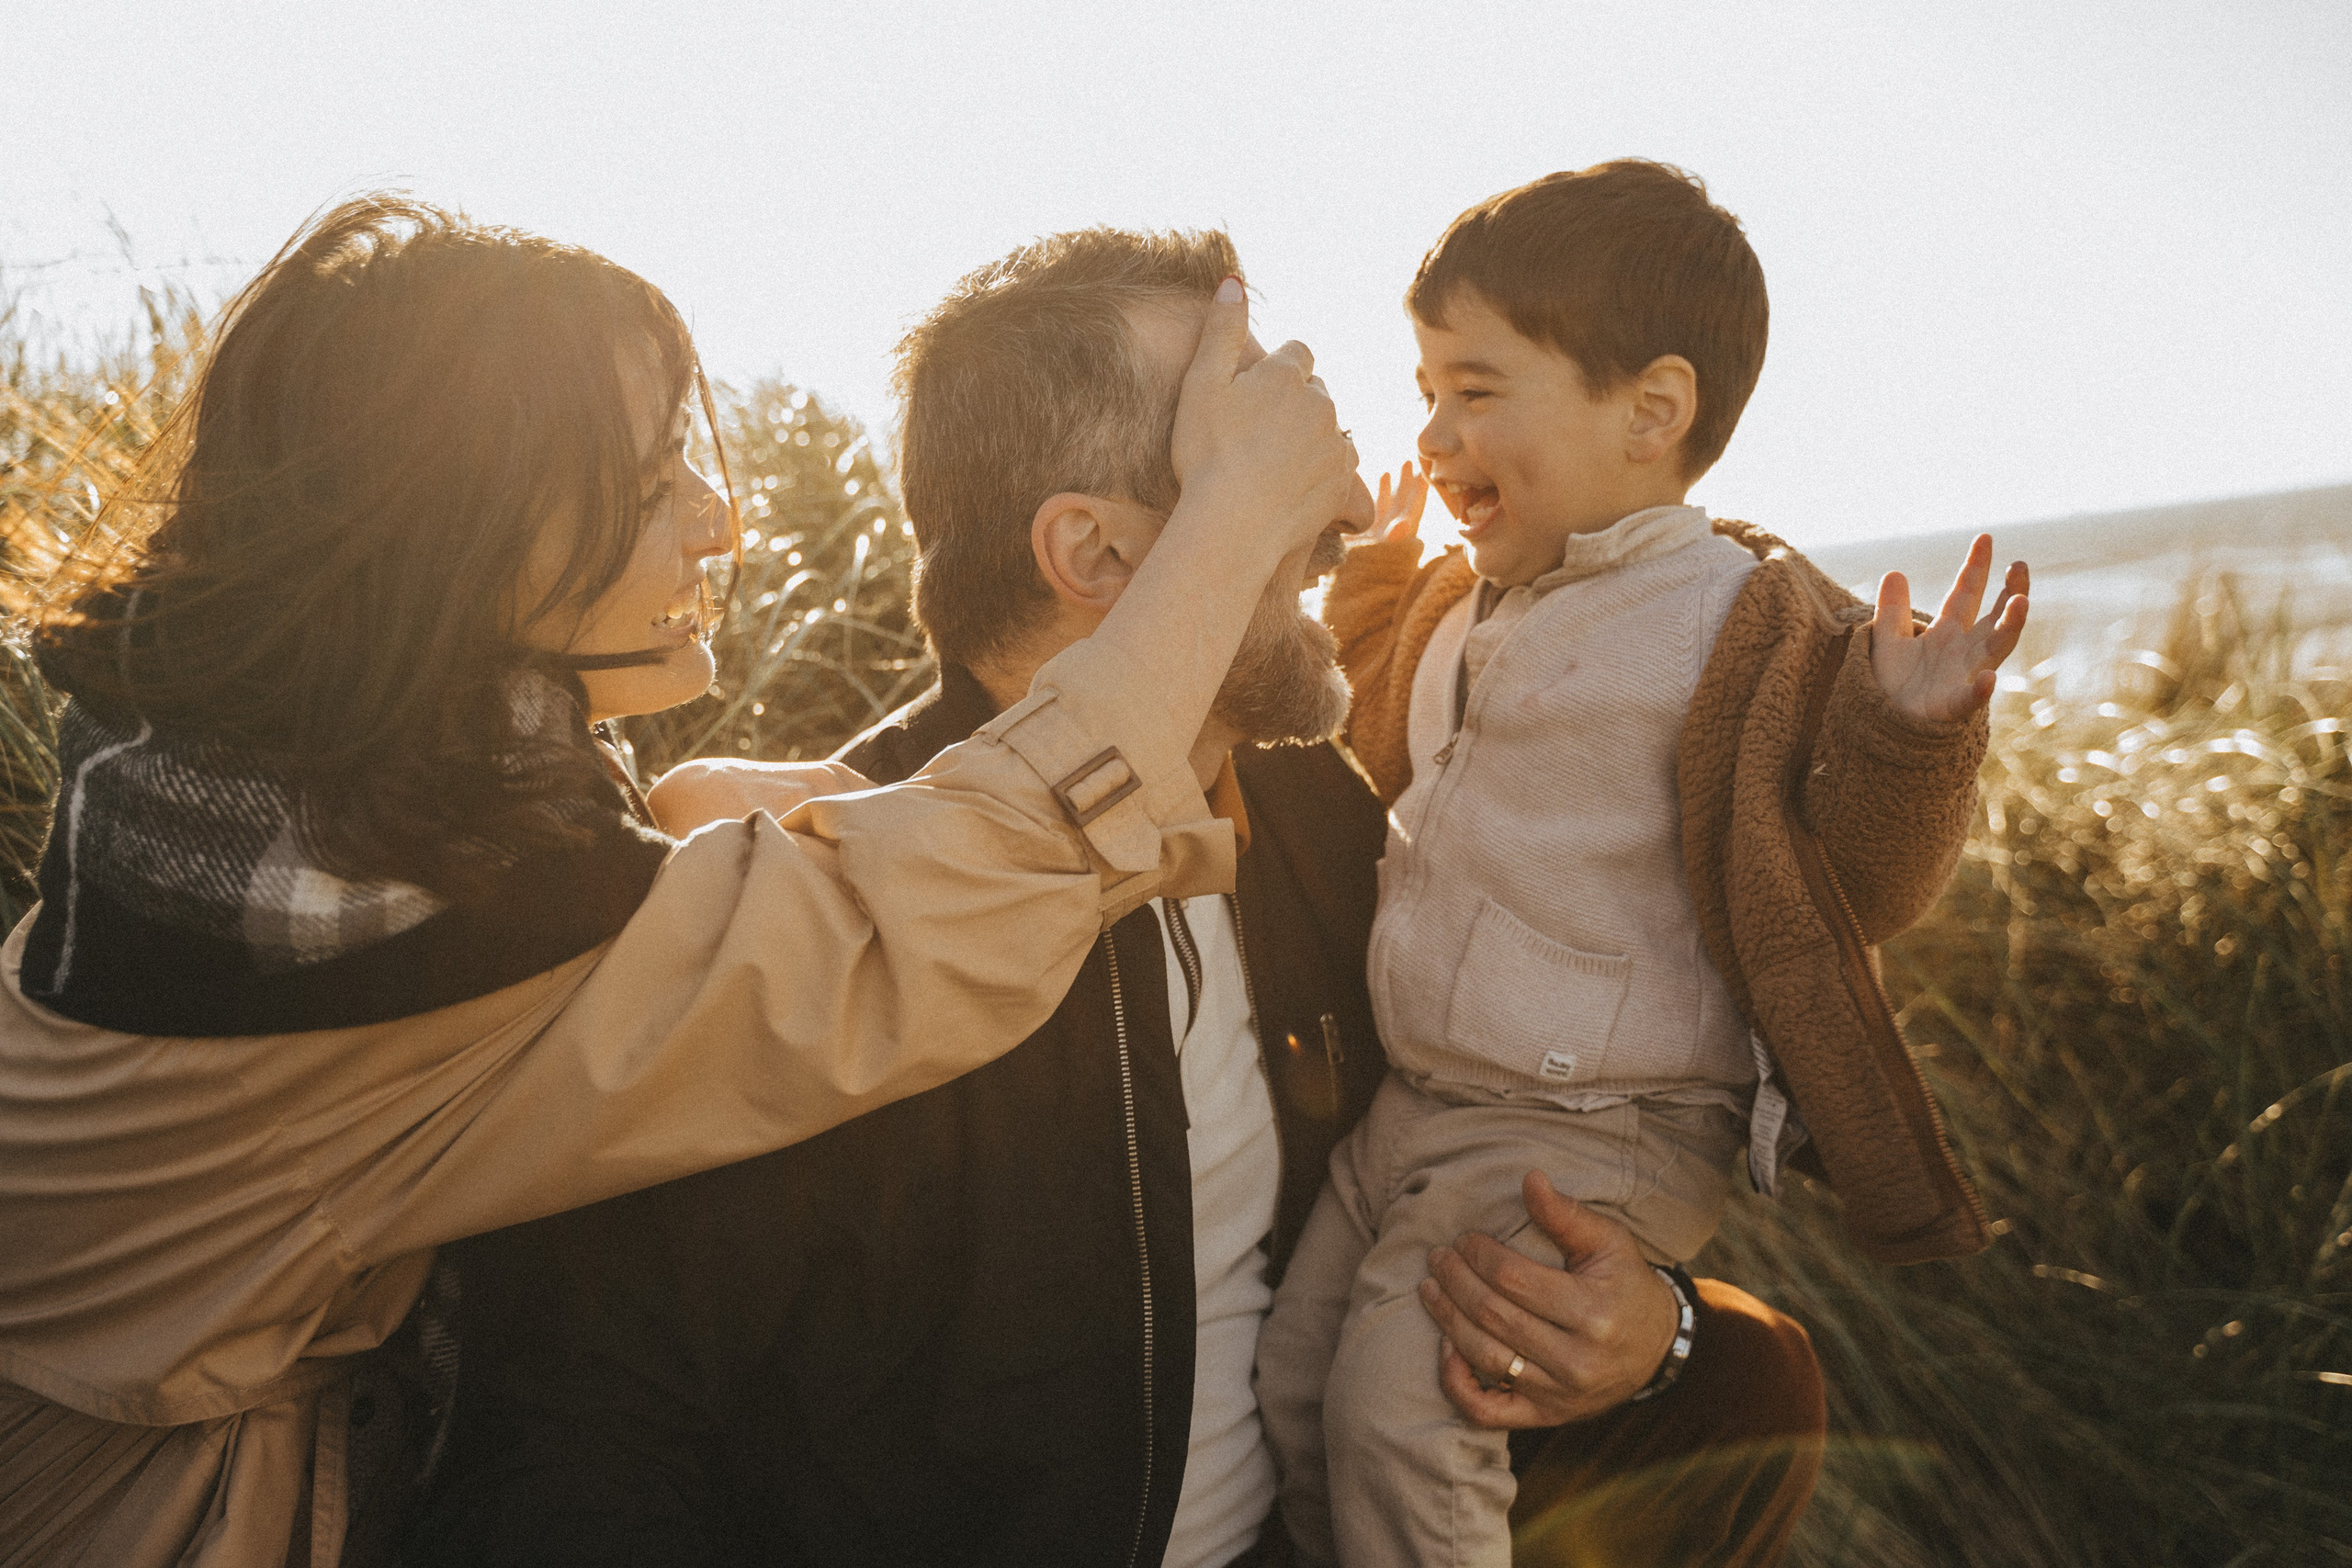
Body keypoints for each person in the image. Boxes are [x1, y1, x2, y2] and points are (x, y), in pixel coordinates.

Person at [413, 227, 1832, 1568]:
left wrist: (1654, 1335)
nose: (1350, 508)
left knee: (1756, 1379)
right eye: (1256, 465)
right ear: (1096, 557)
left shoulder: (1316, 823)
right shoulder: (811, 925)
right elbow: (574, 1455)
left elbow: (1494, 1152)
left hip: (1312, 1521)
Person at [0, 197, 1360, 1568]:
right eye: (652, 481)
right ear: (461, 537)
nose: (717, 522)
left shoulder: (242, 816)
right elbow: (926, 923)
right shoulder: (381, 930)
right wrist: (1235, 520)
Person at [1251, 160, 2030, 1568]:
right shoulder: (1466, 603)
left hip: (1590, 1128)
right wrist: (1371, 589)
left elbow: (1863, 878)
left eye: (1478, 389)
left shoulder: (1743, 621)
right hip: (1419, 1108)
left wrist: (1913, 733)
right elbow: (1379, 736)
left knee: (1399, 1408)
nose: (1433, 431)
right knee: (1295, 1387)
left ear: (1652, 410)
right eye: (1425, 387)